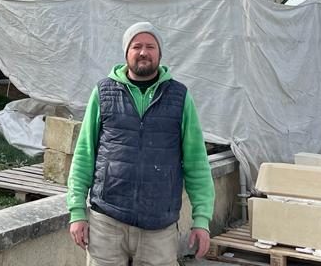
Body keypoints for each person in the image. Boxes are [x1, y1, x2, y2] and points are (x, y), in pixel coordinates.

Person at [66, 22, 214, 265]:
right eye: (136, 46)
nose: (143, 52)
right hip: (106, 222)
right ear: (127, 53)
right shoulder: (103, 93)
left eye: (150, 46)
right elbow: (84, 154)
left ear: (159, 53)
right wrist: (76, 211)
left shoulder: (180, 97)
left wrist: (202, 220)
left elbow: (197, 163)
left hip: (159, 228)